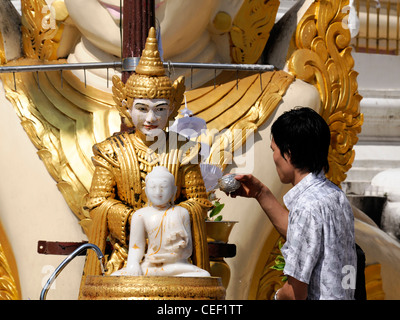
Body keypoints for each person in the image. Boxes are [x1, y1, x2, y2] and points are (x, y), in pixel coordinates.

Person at [80, 28, 212, 293]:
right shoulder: (112, 151)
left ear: (172, 109)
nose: (151, 118)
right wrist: (137, 219)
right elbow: (97, 202)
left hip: (173, 256)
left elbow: (198, 201)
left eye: (160, 109)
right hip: (124, 254)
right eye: (142, 108)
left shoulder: (184, 150)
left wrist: (168, 218)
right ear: (126, 107)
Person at [229, 107, 357, 300]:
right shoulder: (335, 196)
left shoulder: (307, 206)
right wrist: (260, 193)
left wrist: (277, 295)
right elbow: (306, 237)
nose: (274, 157)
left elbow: (296, 292)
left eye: (274, 150)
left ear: (288, 153)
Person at [111, 166, 210, 277]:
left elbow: (188, 250)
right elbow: (136, 247)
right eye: (153, 187)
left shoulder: (182, 213)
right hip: (150, 265)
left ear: (174, 190)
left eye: (164, 187)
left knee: (204, 275)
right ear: (146, 191)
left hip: (177, 265)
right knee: (115, 276)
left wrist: (176, 250)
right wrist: (133, 264)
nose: (158, 192)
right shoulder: (140, 215)